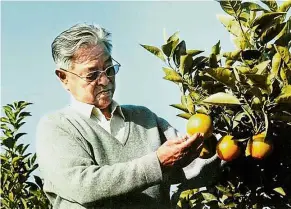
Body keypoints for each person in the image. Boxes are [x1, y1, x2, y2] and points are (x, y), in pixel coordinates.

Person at [36, 23, 220, 209]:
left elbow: (196, 165)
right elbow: (82, 186)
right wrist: (157, 164)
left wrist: (231, 141)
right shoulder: (56, 127)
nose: (105, 81)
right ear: (64, 78)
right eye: (92, 75)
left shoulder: (144, 118)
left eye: (109, 70)